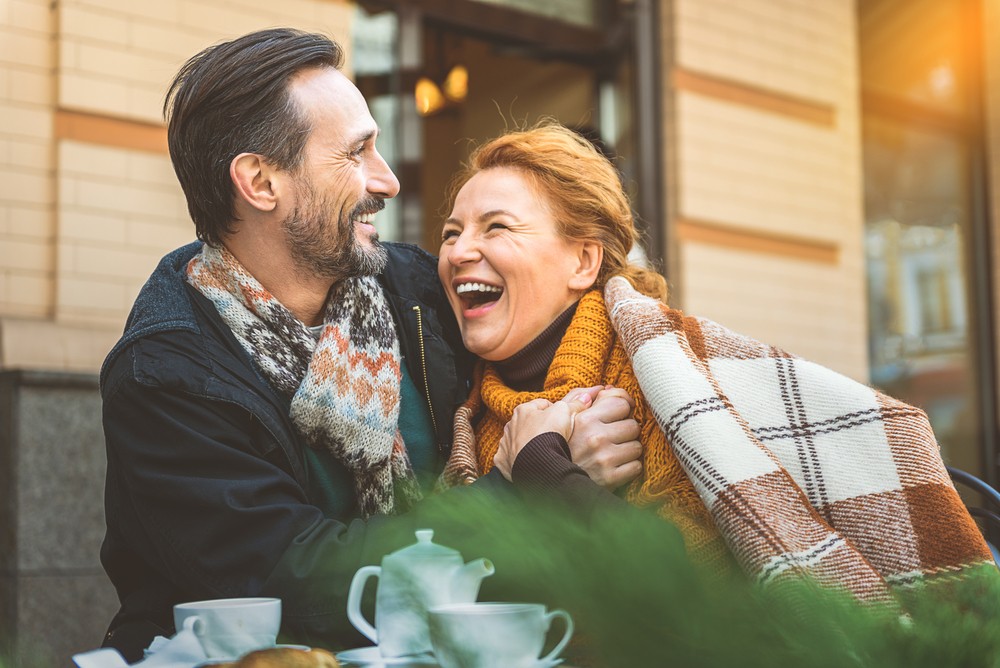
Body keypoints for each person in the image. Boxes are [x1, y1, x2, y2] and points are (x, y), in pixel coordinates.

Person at [98, 30, 642, 662]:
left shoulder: (415, 290)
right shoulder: (166, 374)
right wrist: (515, 491)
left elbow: (544, 323)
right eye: (356, 154)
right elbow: (297, 582)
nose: (386, 180)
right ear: (260, 181)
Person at [436, 121, 995, 602]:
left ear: (584, 260)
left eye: (497, 226)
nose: (459, 252)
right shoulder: (461, 410)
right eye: (451, 233)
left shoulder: (667, 383)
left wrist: (542, 468)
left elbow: (688, 601)